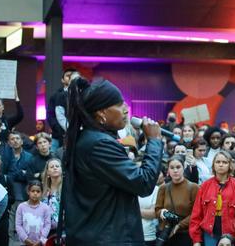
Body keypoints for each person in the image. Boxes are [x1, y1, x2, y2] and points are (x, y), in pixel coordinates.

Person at [63, 77, 164, 243]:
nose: (126, 109)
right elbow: (144, 182)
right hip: (108, 238)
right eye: (119, 104)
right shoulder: (99, 144)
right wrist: (154, 141)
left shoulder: (89, 139)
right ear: (101, 113)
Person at [190, 150, 235, 246]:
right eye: (218, 162)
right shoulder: (205, 186)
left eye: (224, 162)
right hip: (209, 235)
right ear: (213, 165)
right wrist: (196, 240)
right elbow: (196, 215)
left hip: (231, 235)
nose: (221, 165)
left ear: (230, 165)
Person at [156, 155, 199, 246]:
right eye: (172, 168)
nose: (175, 170)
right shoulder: (163, 188)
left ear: (184, 168)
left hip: (185, 234)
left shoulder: (193, 187)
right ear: (168, 170)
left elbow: (197, 213)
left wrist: (179, 225)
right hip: (166, 233)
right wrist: (162, 212)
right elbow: (157, 210)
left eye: (178, 167)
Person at [46, 68, 77, 153]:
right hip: (58, 135)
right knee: (55, 158)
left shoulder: (81, 95)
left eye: (73, 76)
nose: (70, 77)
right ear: (62, 80)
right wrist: (58, 129)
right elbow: (50, 115)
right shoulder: (56, 96)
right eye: (68, 76)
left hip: (76, 135)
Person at [15, 180, 51, 246]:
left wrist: (41, 240)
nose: (35, 193)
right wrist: (25, 239)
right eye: (33, 191)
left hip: (40, 243)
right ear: (28, 192)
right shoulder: (21, 207)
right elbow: (18, 225)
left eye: (38, 191)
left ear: (42, 193)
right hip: (24, 243)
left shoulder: (45, 208)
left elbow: (47, 225)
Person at [41, 158, 62, 235]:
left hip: (65, 230)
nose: (55, 168)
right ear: (48, 172)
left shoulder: (67, 188)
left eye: (57, 166)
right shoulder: (43, 190)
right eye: (52, 167)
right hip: (47, 231)